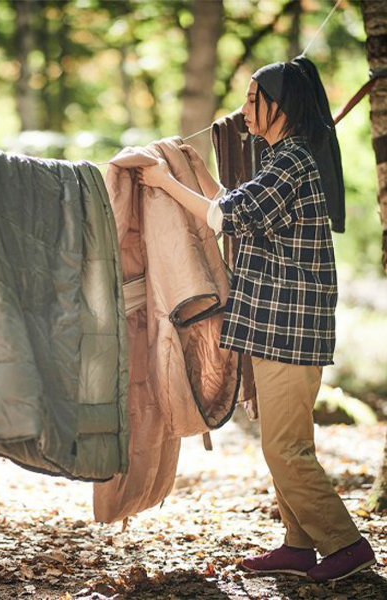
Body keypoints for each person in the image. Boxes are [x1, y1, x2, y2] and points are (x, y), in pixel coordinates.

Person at [136, 59, 376, 583]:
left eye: (252, 99)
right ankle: (298, 544)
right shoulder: (280, 158)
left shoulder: (292, 160)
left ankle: (346, 545)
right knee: (281, 441)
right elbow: (239, 208)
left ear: (278, 106)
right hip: (276, 324)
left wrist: (164, 182)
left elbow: (230, 216)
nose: (243, 109)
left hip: (292, 328)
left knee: (284, 448)